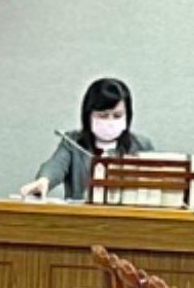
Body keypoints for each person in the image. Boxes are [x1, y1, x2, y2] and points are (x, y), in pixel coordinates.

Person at [19, 78, 154, 200]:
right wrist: (44, 180)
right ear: (88, 115)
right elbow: (56, 165)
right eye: (103, 115)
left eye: (117, 116)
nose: (110, 121)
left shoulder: (141, 145)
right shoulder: (73, 141)